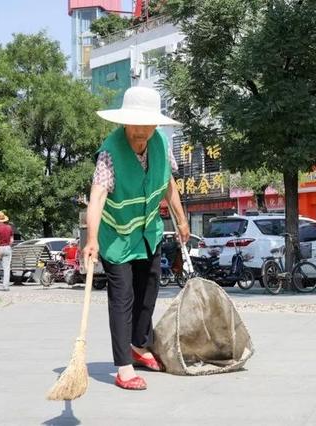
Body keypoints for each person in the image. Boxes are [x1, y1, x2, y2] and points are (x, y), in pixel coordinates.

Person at [83, 86, 190, 391]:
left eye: (148, 125)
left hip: (148, 232)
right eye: (135, 124)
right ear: (124, 122)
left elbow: (168, 183)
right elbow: (98, 197)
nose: (141, 131)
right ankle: (124, 366)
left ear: (156, 124)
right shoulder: (110, 153)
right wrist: (92, 239)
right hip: (116, 237)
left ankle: (139, 346)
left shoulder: (159, 144)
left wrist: (181, 221)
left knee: (150, 291)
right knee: (122, 298)